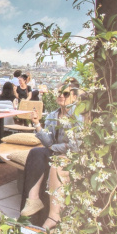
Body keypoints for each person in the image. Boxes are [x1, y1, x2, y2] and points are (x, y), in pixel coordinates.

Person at [20, 84, 82, 224]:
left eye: (65, 93)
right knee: (35, 152)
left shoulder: (77, 116)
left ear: (74, 97)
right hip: (58, 153)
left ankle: (46, 213)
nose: (61, 95)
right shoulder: (53, 115)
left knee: (44, 155)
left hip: (73, 155)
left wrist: (54, 147)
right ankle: (32, 199)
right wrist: (37, 124)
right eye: (59, 92)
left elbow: (75, 145)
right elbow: (47, 141)